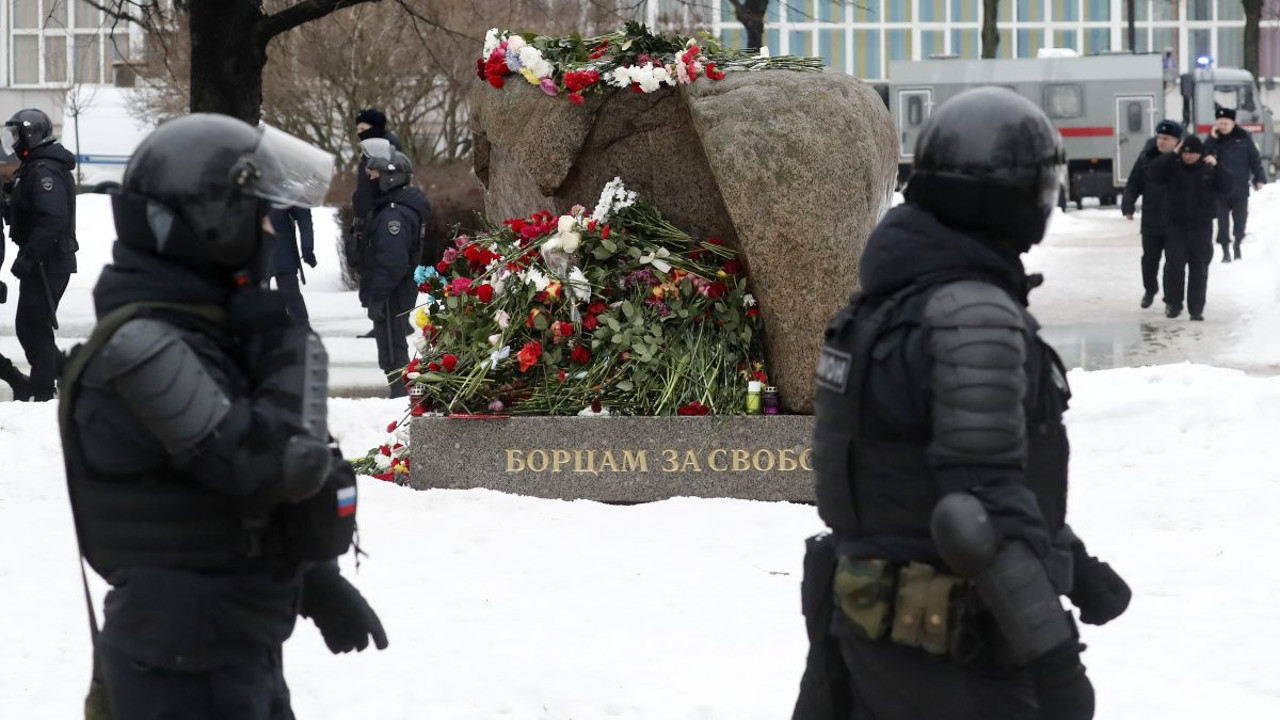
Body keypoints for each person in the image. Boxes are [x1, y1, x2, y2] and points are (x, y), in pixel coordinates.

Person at [798, 87, 1131, 720]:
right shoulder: (969, 314)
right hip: (952, 654)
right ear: (1002, 194)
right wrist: (1055, 662)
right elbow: (976, 518)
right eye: (1039, 184)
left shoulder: (887, 303)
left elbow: (921, 478)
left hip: (868, 635)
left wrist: (1074, 563)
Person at [58, 114, 387, 720]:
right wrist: (289, 347)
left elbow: (221, 499)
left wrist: (316, 579)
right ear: (211, 219)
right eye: (259, 211)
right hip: (179, 671)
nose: (268, 228)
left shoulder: (197, 327)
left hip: (225, 648)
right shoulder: (143, 348)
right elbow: (277, 464)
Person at [3, 108, 77, 401]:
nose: (13, 141)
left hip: (48, 261)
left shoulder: (44, 170)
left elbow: (52, 219)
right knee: (31, 326)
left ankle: (43, 390)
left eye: (16, 135)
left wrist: (30, 258)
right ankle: (68, 373)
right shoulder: (35, 166)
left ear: (30, 135)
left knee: (34, 327)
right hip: (43, 258)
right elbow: (30, 211)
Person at [361, 150, 429, 398]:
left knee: (392, 348)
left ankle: (402, 397)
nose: (370, 179)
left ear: (391, 177)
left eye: (374, 174)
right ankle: (402, 393)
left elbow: (393, 262)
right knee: (392, 346)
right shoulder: (393, 208)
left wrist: (378, 296)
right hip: (393, 290)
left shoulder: (393, 214)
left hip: (392, 293)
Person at [1148, 134, 1231, 320]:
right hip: (1176, 227)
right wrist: (1172, 154)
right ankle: (1173, 304)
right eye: (1184, 153)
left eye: (1192, 153)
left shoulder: (1208, 169)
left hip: (1201, 227)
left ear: (1200, 154)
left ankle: (1196, 309)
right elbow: (1154, 173)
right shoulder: (1173, 167)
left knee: (1199, 270)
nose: (1187, 157)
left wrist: (1217, 166)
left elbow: (1228, 186)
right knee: (1174, 267)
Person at [1121, 119, 1182, 310]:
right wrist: (1128, 205)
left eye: (1166, 138)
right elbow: (1133, 183)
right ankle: (1150, 289)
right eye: (1159, 137)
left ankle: (1171, 301)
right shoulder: (1146, 157)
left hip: (1175, 221)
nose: (1161, 141)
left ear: (1177, 141)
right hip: (1152, 219)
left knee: (1173, 264)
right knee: (1149, 261)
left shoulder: (1183, 159)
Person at [352, 109, 402, 339]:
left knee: (380, 268)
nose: (359, 134)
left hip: (378, 216)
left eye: (363, 130)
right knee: (370, 269)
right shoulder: (373, 147)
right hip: (370, 214)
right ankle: (380, 321)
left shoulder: (386, 148)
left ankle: (387, 322)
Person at [1203, 106, 1266, 262]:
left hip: (1239, 187)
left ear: (1233, 123)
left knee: (1240, 221)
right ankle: (1225, 251)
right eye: (1220, 123)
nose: (1223, 126)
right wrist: (1211, 138)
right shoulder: (1213, 139)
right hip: (1220, 188)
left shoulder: (1244, 137)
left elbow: (1254, 159)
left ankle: (1237, 243)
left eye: (1226, 123)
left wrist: (1259, 178)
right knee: (1223, 223)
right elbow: (1203, 155)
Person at [268, 205, 316, 325]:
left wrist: (307, 248)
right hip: (257, 246)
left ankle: (301, 330)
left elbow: (303, 216)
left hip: (279, 247)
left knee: (289, 292)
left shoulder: (285, 190)